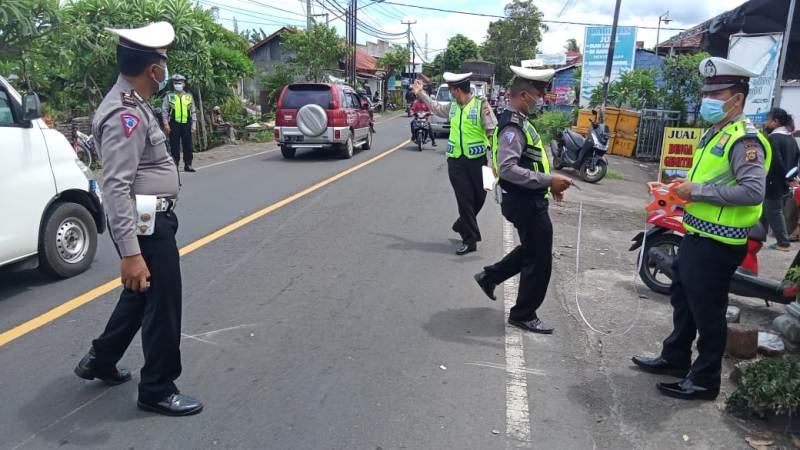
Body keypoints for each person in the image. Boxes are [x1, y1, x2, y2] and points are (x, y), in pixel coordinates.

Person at [74, 22, 203, 416]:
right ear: (154, 70)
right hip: (144, 222)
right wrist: (130, 252)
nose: (166, 70)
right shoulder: (124, 114)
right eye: (163, 62)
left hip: (148, 217)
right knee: (163, 304)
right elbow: (114, 186)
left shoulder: (134, 103)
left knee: (139, 293)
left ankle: (100, 359)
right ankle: (158, 388)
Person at [632, 57, 771, 401]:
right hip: (697, 234)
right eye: (706, 92)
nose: (707, 99)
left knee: (708, 312)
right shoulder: (717, 133)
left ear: (737, 99)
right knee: (683, 299)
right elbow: (710, 180)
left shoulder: (745, 140)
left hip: (720, 243)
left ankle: (705, 380)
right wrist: (683, 186)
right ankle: (675, 357)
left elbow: (752, 191)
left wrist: (697, 191)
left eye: (717, 93)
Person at [473, 66, 573, 334]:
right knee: (540, 259)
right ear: (525, 95)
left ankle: (490, 276)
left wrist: (549, 184)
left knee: (532, 249)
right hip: (524, 202)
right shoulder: (513, 127)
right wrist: (548, 181)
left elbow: (532, 161)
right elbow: (508, 169)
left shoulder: (520, 122)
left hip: (528, 198)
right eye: (538, 94)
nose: (541, 99)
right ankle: (523, 314)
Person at [412, 73, 497, 255]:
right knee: (464, 199)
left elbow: (493, 132)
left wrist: (495, 162)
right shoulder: (452, 107)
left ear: (457, 90)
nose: (450, 93)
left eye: (451, 89)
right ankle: (470, 239)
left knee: (481, 197)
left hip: (481, 161)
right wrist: (421, 93)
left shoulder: (481, 105)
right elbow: (435, 107)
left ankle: (462, 224)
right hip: (456, 161)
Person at [762, 107, 799, 250]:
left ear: (775, 122)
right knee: (765, 210)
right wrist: (790, 178)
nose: (766, 123)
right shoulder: (791, 139)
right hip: (785, 182)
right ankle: (758, 236)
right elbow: (796, 159)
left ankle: (783, 242)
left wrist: (781, 176)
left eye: (768, 120)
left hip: (773, 181)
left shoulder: (773, 138)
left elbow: (775, 161)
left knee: (774, 211)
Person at [162, 74, 197, 172]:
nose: (178, 84)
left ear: (184, 84)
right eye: (176, 83)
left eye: (180, 83)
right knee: (174, 144)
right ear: (173, 84)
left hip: (186, 122)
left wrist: (194, 125)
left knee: (188, 144)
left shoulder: (188, 96)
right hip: (174, 123)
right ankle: (175, 164)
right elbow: (164, 110)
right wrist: (166, 124)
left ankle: (188, 164)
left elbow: (193, 111)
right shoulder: (169, 96)